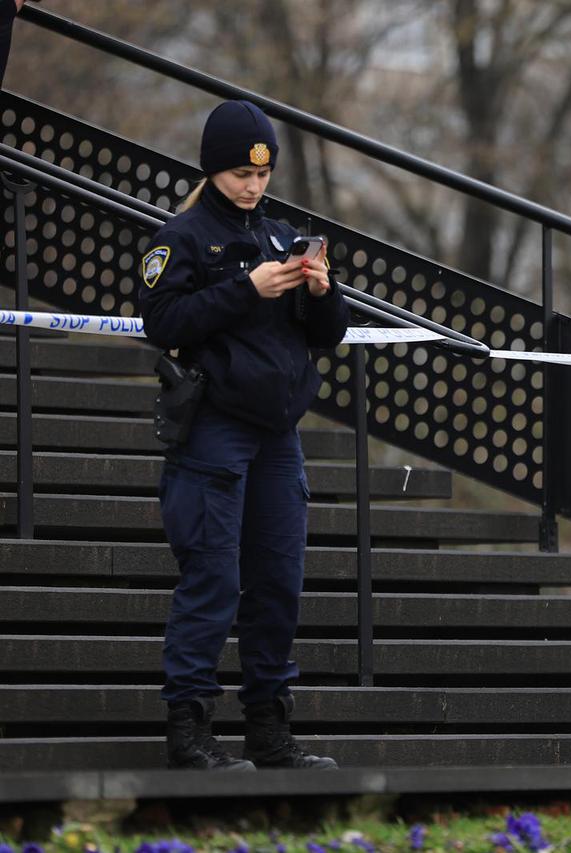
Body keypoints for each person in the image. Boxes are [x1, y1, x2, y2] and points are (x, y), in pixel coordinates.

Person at [139, 100, 349, 770]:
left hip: (278, 432)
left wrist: (320, 290)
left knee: (278, 581)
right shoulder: (185, 237)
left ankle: (268, 726)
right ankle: (190, 727)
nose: (254, 185)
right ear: (213, 168)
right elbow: (164, 319)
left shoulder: (280, 235)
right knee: (212, 578)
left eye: (262, 173)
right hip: (214, 428)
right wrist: (246, 288)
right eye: (239, 172)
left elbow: (327, 334)